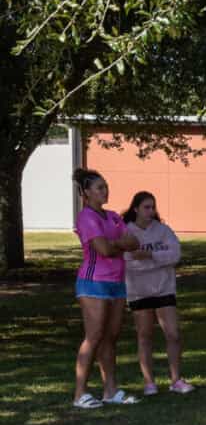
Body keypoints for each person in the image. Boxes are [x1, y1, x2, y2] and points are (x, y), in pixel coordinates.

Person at [71, 168, 140, 409]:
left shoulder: (113, 216)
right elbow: (104, 250)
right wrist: (119, 244)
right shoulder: (86, 217)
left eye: (106, 186)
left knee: (111, 337)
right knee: (94, 336)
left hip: (117, 283)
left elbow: (134, 241)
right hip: (93, 283)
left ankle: (110, 391)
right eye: (100, 187)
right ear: (86, 193)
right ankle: (80, 394)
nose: (105, 190)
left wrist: (117, 244)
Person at [122, 191, 195, 396]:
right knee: (144, 336)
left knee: (173, 334)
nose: (151, 211)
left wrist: (150, 255)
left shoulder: (163, 230)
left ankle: (175, 380)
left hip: (164, 288)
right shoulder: (127, 232)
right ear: (135, 209)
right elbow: (128, 262)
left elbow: (175, 255)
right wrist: (155, 261)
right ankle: (149, 383)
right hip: (139, 291)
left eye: (153, 207)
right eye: (146, 207)